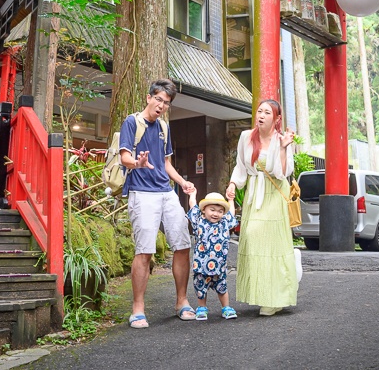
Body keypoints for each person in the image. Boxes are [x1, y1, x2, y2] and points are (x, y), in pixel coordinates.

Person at [119, 79, 197, 329]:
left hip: (166, 191)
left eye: (167, 102)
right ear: (149, 97)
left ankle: (182, 301)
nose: (162, 105)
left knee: (183, 244)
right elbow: (125, 157)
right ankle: (138, 309)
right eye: (159, 100)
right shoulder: (132, 122)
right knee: (145, 250)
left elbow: (166, 164)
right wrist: (137, 163)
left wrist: (182, 182)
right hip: (141, 193)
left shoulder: (164, 127)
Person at [225, 99, 297, 316]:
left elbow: (281, 173)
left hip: (274, 194)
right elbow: (240, 165)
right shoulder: (246, 137)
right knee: (252, 237)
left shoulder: (280, 139)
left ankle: (276, 297)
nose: (261, 115)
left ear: (276, 119)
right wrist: (232, 184)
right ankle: (263, 293)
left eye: (267, 112)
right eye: (259, 111)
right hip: (254, 194)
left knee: (271, 244)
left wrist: (284, 148)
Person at [186, 190, 238, 321]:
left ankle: (226, 307)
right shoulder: (199, 220)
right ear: (203, 209)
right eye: (212, 210)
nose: (216, 214)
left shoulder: (224, 222)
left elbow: (231, 213)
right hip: (201, 264)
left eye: (220, 211)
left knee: (222, 287)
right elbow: (193, 205)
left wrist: (230, 200)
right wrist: (193, 194)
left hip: (219, 266)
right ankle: (202, 307)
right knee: (200, 287)